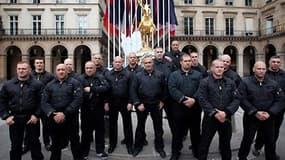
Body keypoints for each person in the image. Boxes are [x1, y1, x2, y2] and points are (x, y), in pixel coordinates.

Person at [238, 61, 284, 160]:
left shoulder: (273, 83)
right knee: (248, 139)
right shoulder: (245, 82)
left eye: (263, 69)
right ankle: (242, 157)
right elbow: (242, 99)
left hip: (269, 117)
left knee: (270, 140)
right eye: (259, 69)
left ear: (266, 70)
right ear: (254, 69)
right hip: (251, 117)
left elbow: (280, 99)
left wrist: (270, 112)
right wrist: (254, 112)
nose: (261, 71)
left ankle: (271, 157)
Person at [0, 61, 44, 160]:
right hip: (14, 118)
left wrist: (36, 115)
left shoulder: (37, 84)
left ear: (29, 70)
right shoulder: (8, 84)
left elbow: (41, 102)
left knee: (34, 143)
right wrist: (6, 116)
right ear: (16, 70)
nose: (21, 71)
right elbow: (2, 101)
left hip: (31, 117)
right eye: (19, 69)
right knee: (15, 144)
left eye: (24, 69)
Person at [197, 59, 240, 160]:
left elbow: (237, 99)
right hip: (210, 118)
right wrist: (214, 112)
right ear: (211, 68)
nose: (220, 69)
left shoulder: (230, 82)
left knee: (226, 145)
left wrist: (226, 112)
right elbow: (202, 99)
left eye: (222, 67)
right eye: (217, 67)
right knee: (204, 144)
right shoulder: (205, 82)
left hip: (226, 118)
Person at [41, 64, 83, 160]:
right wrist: (52, 113)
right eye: (59, 69)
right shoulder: (49, 85)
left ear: (66, 70)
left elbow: (78, 99)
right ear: (55, 71)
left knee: (75, 141)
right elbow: (44, 102)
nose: (61, 71)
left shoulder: (75, 83)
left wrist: (65, 113)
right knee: (55, 142)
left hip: (71, 118)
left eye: (63, 69)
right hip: (55, 118)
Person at [168, 53, 202, 160]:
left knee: (195, 131)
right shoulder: (174, 75)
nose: (188, 62)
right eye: (186, 61)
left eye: (189, 61)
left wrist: (194, 99)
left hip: (195, 108)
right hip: (179, 108)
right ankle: (176, 152)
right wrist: (183, 99)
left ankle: (196, 150)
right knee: (177, 132)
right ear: (181, 62)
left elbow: (201, 88)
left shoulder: (198, 75)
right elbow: (172, 89)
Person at [131, 56, 166, 158]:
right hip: (143, 105)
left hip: (156, 105)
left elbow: (165, 89)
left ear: (153, 63)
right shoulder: (137, 76)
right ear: (143, 64)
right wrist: (137, 103)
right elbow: (133, 91)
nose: (148, 64)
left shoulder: (160, 75)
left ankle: (159, 147)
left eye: (149, 62)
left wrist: (162, 101)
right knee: (140, 127)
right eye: (145, 63)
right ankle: (138, 146)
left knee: (158, 128)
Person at [252, 56, 285, 158]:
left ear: (280, 63)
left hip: (278, 109)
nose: (276, 63)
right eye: (273, 62)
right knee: (262, 132)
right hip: (264, 110)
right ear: (269, 63)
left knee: (275, 132)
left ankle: (271, 152)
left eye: (278, 62)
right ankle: (258, 146)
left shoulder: (284, 75)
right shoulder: (263, 74)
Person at [78, 61, 109, 160]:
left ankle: (100, 151)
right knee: (86, 132)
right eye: (87, 68)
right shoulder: (80, 78)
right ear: (84, 68)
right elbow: (78, 91)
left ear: (95, 68)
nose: (89, 70)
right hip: (85, 109)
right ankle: (84, 153)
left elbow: (106, 88)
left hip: (98, 109)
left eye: (91, 68)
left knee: (100, 131)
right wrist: (95, 91)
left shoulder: (100, 77)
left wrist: (91, 89)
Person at [105, 56, 134, 154]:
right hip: (112, 102)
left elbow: (131, 89)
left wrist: (130, 102)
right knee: (112, 124)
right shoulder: (108, 74)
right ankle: (112, 144)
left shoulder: (128, 74)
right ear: (113, 62)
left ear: (122, 62)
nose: (117, 63)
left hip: (125, 102)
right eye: (116, 62)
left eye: (119, 62)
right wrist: (106, 102)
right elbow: (106, 90)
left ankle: (129, 144)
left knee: (127, 124)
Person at [32, 57, 55, 151]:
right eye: (37, 63)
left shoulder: (50, 76)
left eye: (41, 63)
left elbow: (53, 89)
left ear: (44, 64)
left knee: (47, 126)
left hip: (45, 105)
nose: (39, 64)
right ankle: (30, 143)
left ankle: (47, 143)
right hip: (33, 105)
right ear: (34, 64)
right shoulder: (30, 75)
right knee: (32, 126)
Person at [153, 47, 175, 134]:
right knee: (158, 119)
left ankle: (176, 136)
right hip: (157, 96)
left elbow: (175, 74)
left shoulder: (169, 63)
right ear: (154, 53)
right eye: (157, 52)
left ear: (163, 53)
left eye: (161, 52)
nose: (159, 53)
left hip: (169, 95)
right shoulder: (152, 63)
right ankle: (159, 138)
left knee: (172, 117)